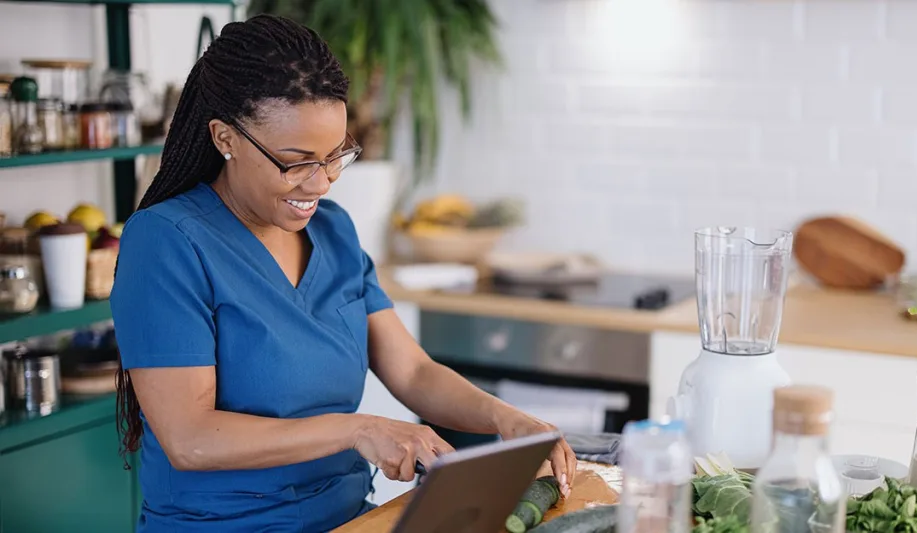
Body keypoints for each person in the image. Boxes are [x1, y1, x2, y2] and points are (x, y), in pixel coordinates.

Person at [109, 14, 576, 532]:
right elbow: (191, 438)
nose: (323, 182)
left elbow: (413, 372)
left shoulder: (333, 230)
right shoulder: (166, 241)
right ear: (225, 137)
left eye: (335, 157)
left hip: (349, 520)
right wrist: (359, 430)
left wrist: (506, 419)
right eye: (297, 161)